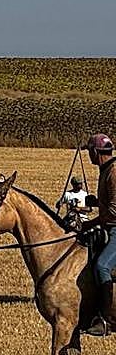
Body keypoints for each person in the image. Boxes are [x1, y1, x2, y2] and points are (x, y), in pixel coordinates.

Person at [77, 134, 116, 333]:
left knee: (102, 266)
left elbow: (114, 211)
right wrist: (94, 202)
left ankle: (106, 320)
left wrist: (89, 223)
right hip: (109, 227)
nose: (89, 156)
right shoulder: (105, 170)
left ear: (95, 151)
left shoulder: (114, 172)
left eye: (89, 151)